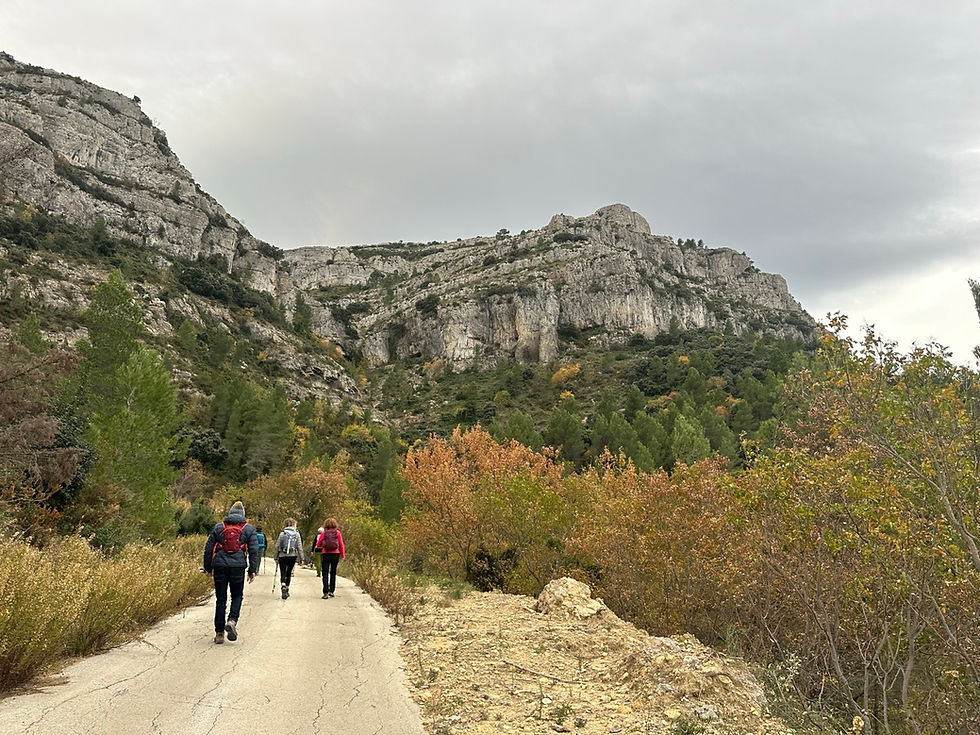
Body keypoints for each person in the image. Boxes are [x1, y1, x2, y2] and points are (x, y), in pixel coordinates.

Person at [203, 500, 259, 644]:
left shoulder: (219, 527)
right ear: (243, 515)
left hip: (220, 566)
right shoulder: (248, 529)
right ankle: (232, 621)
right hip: (238, 567)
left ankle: (219, 633)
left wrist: (208, 568)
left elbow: (208, 549)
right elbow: (254, 551)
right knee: (237, 595)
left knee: (221, 598)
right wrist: (252, 570)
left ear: (229, 513)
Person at [274, 518, 304, 600]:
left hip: (282, 556)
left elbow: (277, 546)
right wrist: (302, 558)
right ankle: (287, 588)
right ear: (294, 525)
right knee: (289, 572)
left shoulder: (282, 534)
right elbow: (299, 547)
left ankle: (283, 585)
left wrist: (276, 557)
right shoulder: (297, 534)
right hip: (292, 556)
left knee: (283, 572)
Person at [316, 518, 345, 599]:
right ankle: (331, 591)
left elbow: (318, 544)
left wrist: (323, 545)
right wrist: (343, 555)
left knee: (325, 573)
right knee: (333, 572)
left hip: (325, 554)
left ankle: (325, 592)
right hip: (335, 554)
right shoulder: (337, 533)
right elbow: (341, 544)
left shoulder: (324, 533)